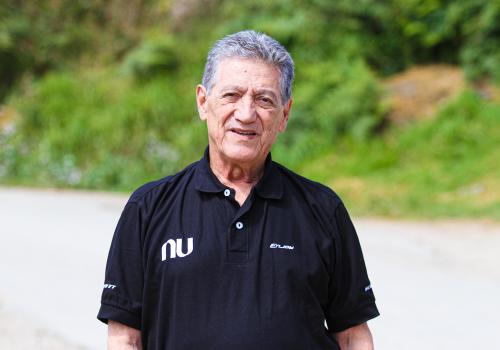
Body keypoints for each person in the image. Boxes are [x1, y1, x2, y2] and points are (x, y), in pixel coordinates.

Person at [97, 30, 379, 350]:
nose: (246, 114)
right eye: (232, 95)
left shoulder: (323, 209)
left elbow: (353, 336)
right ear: (203, 102)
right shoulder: (148, 208)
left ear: (284, 115)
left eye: (264, 99)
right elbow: (124, 337)